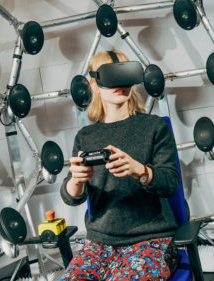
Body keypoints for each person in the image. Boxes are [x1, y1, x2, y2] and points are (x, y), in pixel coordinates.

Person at [59, 50, 180, 281]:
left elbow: (170, 183)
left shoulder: (154, 127)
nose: (119, 85)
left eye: (124, 76)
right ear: (94, 85)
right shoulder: (85, 136)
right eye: (111, 78)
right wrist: (76, 179)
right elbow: (71, 196)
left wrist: (140, 171)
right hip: (99, 242)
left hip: (151, 239)